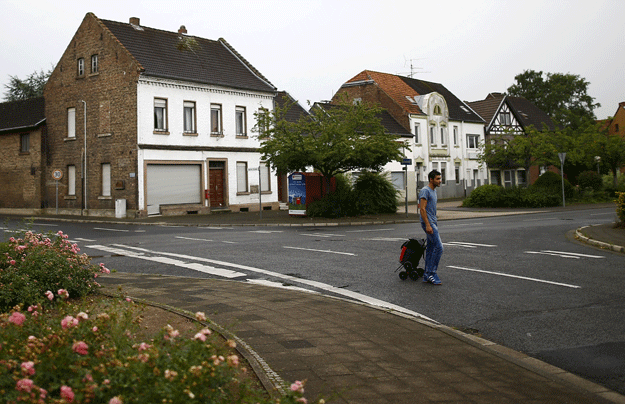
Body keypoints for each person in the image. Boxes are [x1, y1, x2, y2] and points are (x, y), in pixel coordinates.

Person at [419, 170, 443, 285]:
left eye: (440, 178)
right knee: (439, 247)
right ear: (431, 179)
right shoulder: (425, 191)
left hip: (433, 221)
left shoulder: (434, 191)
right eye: (438, 179)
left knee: (430, 249)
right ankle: (431, 273)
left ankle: (426, 275)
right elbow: (422, 209)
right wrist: (428, 225)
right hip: (428, 223)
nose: (440, 181)